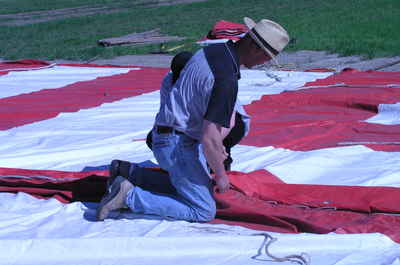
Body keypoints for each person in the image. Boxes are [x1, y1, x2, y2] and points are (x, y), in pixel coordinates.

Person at [96, 17, 290, 222]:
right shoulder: (225, 79)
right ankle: (128, 196)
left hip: (165, 136)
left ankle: (129, 172)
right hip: (177, 145)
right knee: (204, 209)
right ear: (254, 47)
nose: (265, 62)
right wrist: (221, 175)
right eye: (267, 56)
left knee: (195, 186)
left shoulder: (213, 51)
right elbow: (210, 139)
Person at [145, 51, 250, 171]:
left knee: (213, 148)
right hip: (194, 124)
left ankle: (222, 165)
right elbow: (166, 114)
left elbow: (228, 122)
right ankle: (184, 167)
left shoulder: (211, 81)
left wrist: (213, 145)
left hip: (226, 124)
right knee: (154, 138)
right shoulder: (169, 81)